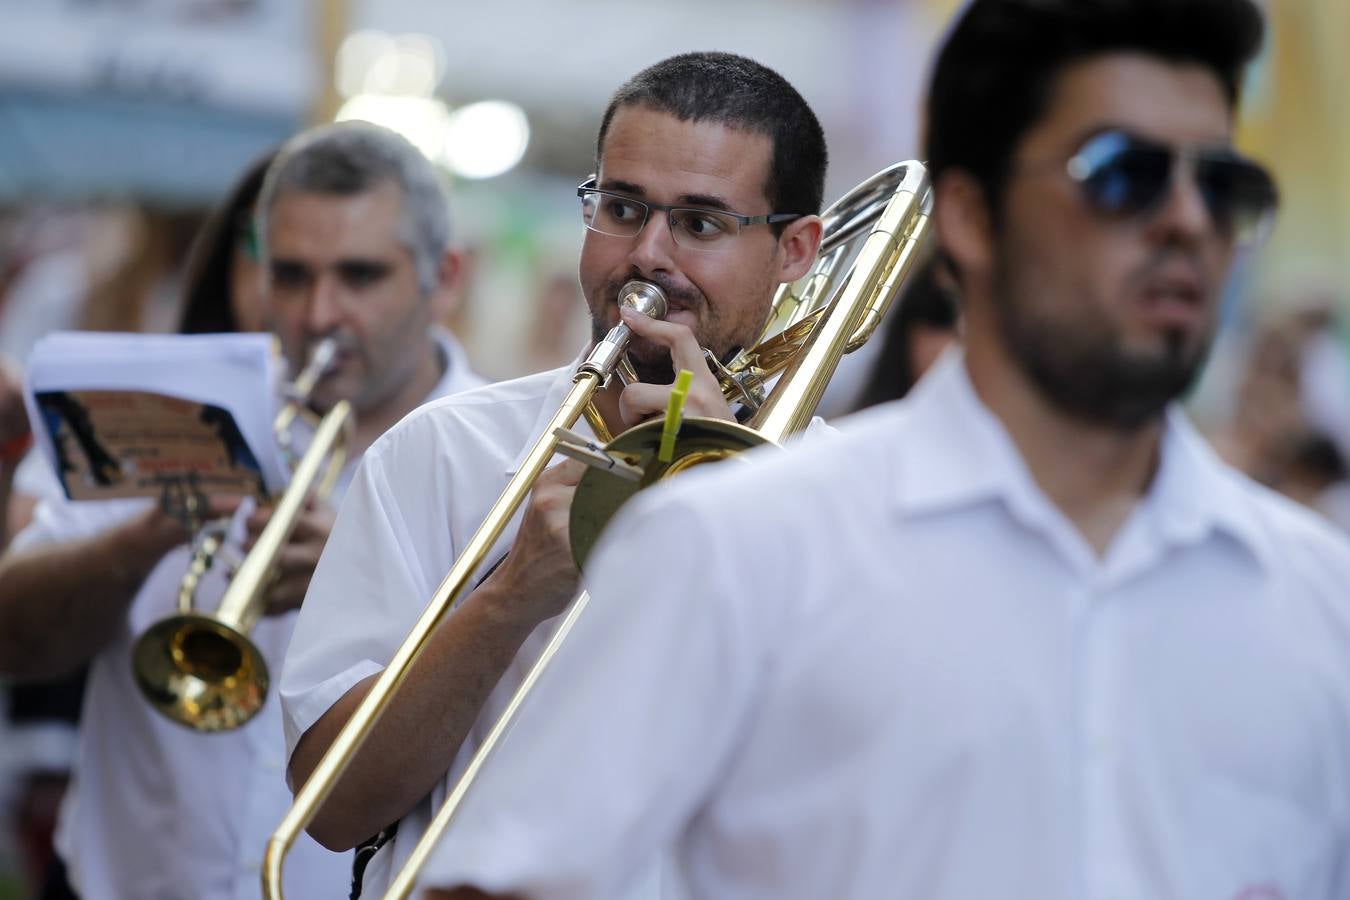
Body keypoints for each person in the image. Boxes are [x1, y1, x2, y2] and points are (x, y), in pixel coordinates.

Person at [414, 3, 1350, 899]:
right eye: (1120, 175)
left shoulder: (1322, 601)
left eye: (1224, 185)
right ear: (972, 220)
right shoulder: (735, 542)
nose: (1188, 220)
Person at [278, 51, 827, 897]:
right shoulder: (439, 454)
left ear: (794, 249)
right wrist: (511, 598)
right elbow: (334, 807)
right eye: (622, 207)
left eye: (701, 224)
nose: (648, 256)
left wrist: (738, 521)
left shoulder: (833, 491)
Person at [0, 121, 486, 900]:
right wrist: (145, 536)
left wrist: (369, 583)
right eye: (290, 276)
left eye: (360, 276)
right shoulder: (160, 401)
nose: (319, 312)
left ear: (446, 278)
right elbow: (15, 641)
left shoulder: (500, 456)